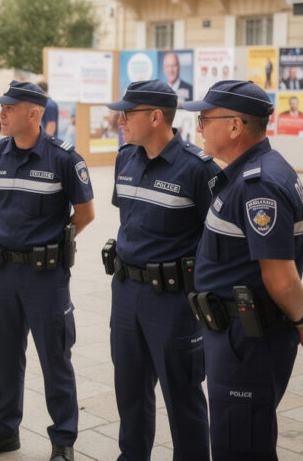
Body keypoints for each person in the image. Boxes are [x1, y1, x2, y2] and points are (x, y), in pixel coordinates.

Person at [182, 80, 303, 460]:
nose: (199, 128)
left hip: (245, 341)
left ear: (234, 126)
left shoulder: (258, 184)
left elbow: (280, 277)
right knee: (245, 440)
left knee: (240, 447)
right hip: (235, 334)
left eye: (204, 119)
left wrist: (302, 321)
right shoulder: (254, 172)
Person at [0, 80, 95, 461]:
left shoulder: (64, 159)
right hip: (2, 270)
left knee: (55, 356)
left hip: (45, 275)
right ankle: (5, 431)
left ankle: (63, 441)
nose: (0, 114)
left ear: (34, 113)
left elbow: (85, 214)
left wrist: (47, 240)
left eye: (8, 108)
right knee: (4, 353)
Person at [107, 80, 218, 461]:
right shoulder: (126, 158)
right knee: (130, 391)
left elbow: (217, 240)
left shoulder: (197, 168)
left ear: (156, 117)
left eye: (128, 113)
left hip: (172, 302)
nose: (120, 119)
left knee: (182, 396)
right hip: (125, 294)